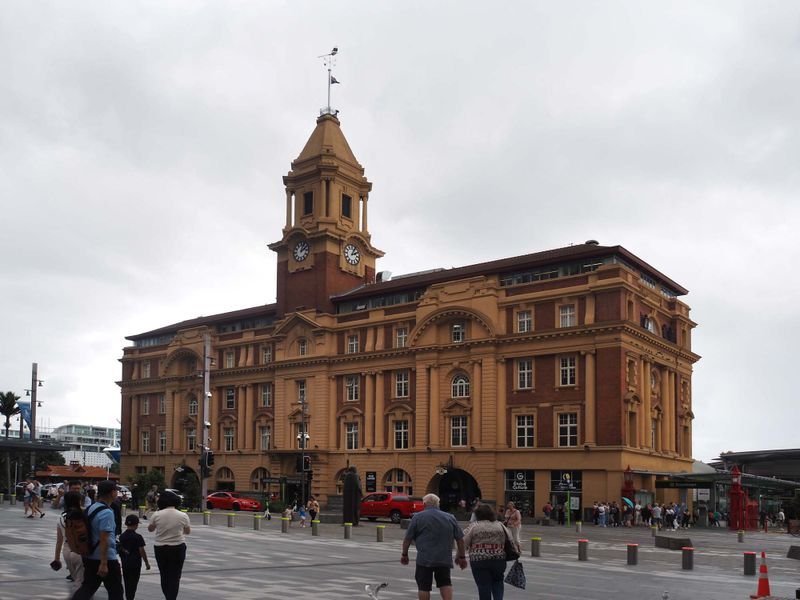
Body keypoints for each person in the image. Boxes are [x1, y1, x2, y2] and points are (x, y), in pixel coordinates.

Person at [400, 493, 467, 600]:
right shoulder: (450, 517)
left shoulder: (417, 517)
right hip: (444, 558)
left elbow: (407, 538)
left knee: (424, 587)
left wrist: (404, 554)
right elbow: (460, 539)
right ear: (438, 504)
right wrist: (462, 557)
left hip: (424, 559)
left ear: (424, 504)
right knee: (445, 583)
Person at [70, 480, 124, 600]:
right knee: (116, 592)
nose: (117, 493)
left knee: (87, 588)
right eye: (116, 491)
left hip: (89, 555)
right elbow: (104, 539)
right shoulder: (107, 513)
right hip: (106, 559)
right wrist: (104, 564)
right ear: (112, 493)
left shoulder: (91, 507)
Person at [148, 489, 191, 600]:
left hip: (160, 547)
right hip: (178, 547)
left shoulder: (157, 514)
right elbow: (187, 531)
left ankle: (168, 596)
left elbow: (150, 529)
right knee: (175, 576)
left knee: (164, 574)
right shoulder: (183, 515)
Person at [464, 503, 509, 600]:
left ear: (478, 514)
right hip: (499, 559)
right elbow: (510, 540)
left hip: (479, 560)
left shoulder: (474, 526)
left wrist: (460, 556)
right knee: (498, 582)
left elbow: (464, 542)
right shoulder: (500, 525)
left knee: (483, 585)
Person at [53, 491, 85, 587]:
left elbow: (59, 541)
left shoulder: (61, 517)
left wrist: (57, 558)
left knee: (77, 581)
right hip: (81, 549)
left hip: (67, 551)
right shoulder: (83, 514)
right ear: (78, 501)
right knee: (83, 584)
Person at [120, 514, 151, 600]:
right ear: (136, 525)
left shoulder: (122, 536)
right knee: (133, 583)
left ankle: (128, 597)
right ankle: (130, 598)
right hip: (135, 564)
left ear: (126, 524)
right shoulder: (138, 537)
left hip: (125, 563)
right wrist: (146, 563)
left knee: (127, 582)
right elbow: (141, 551)